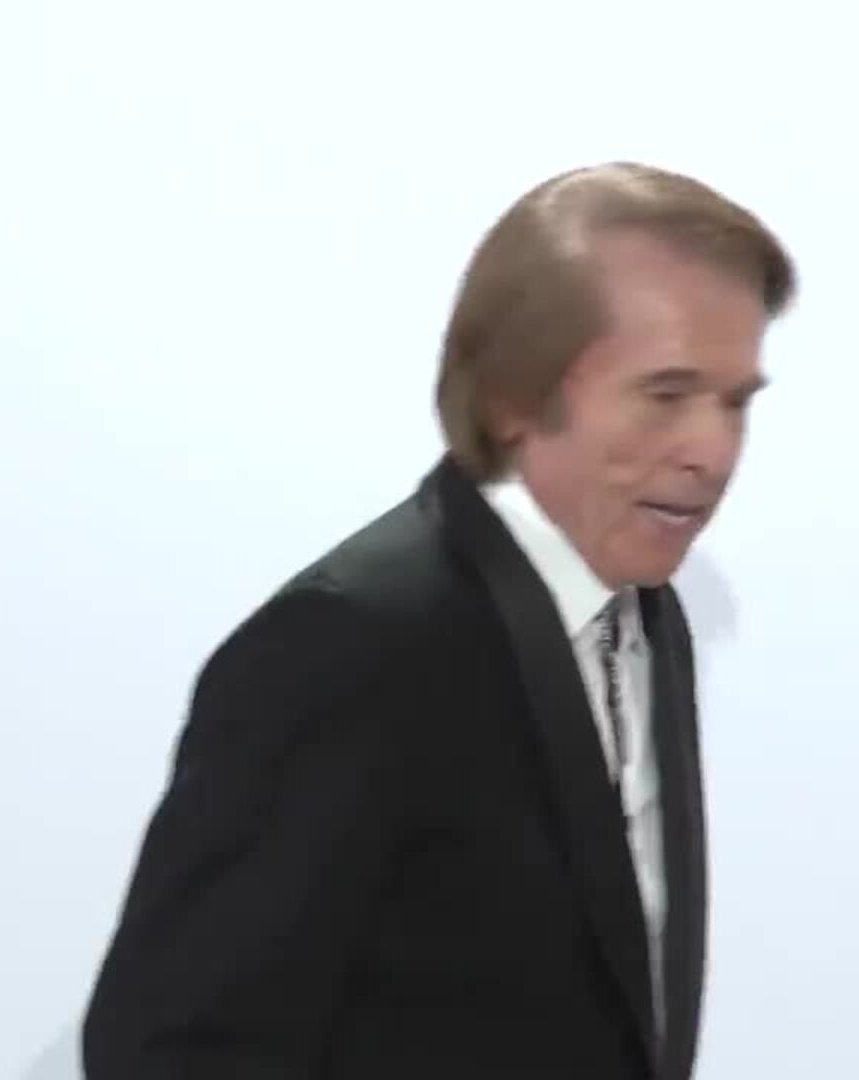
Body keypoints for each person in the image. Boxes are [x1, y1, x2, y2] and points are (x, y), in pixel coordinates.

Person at [81, 161, 798, 1080]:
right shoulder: (351, 647)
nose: (714, 451)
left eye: (735, 404)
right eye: (667, 395)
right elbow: (174, 1054)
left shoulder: (649, 621)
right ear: (513, 396)